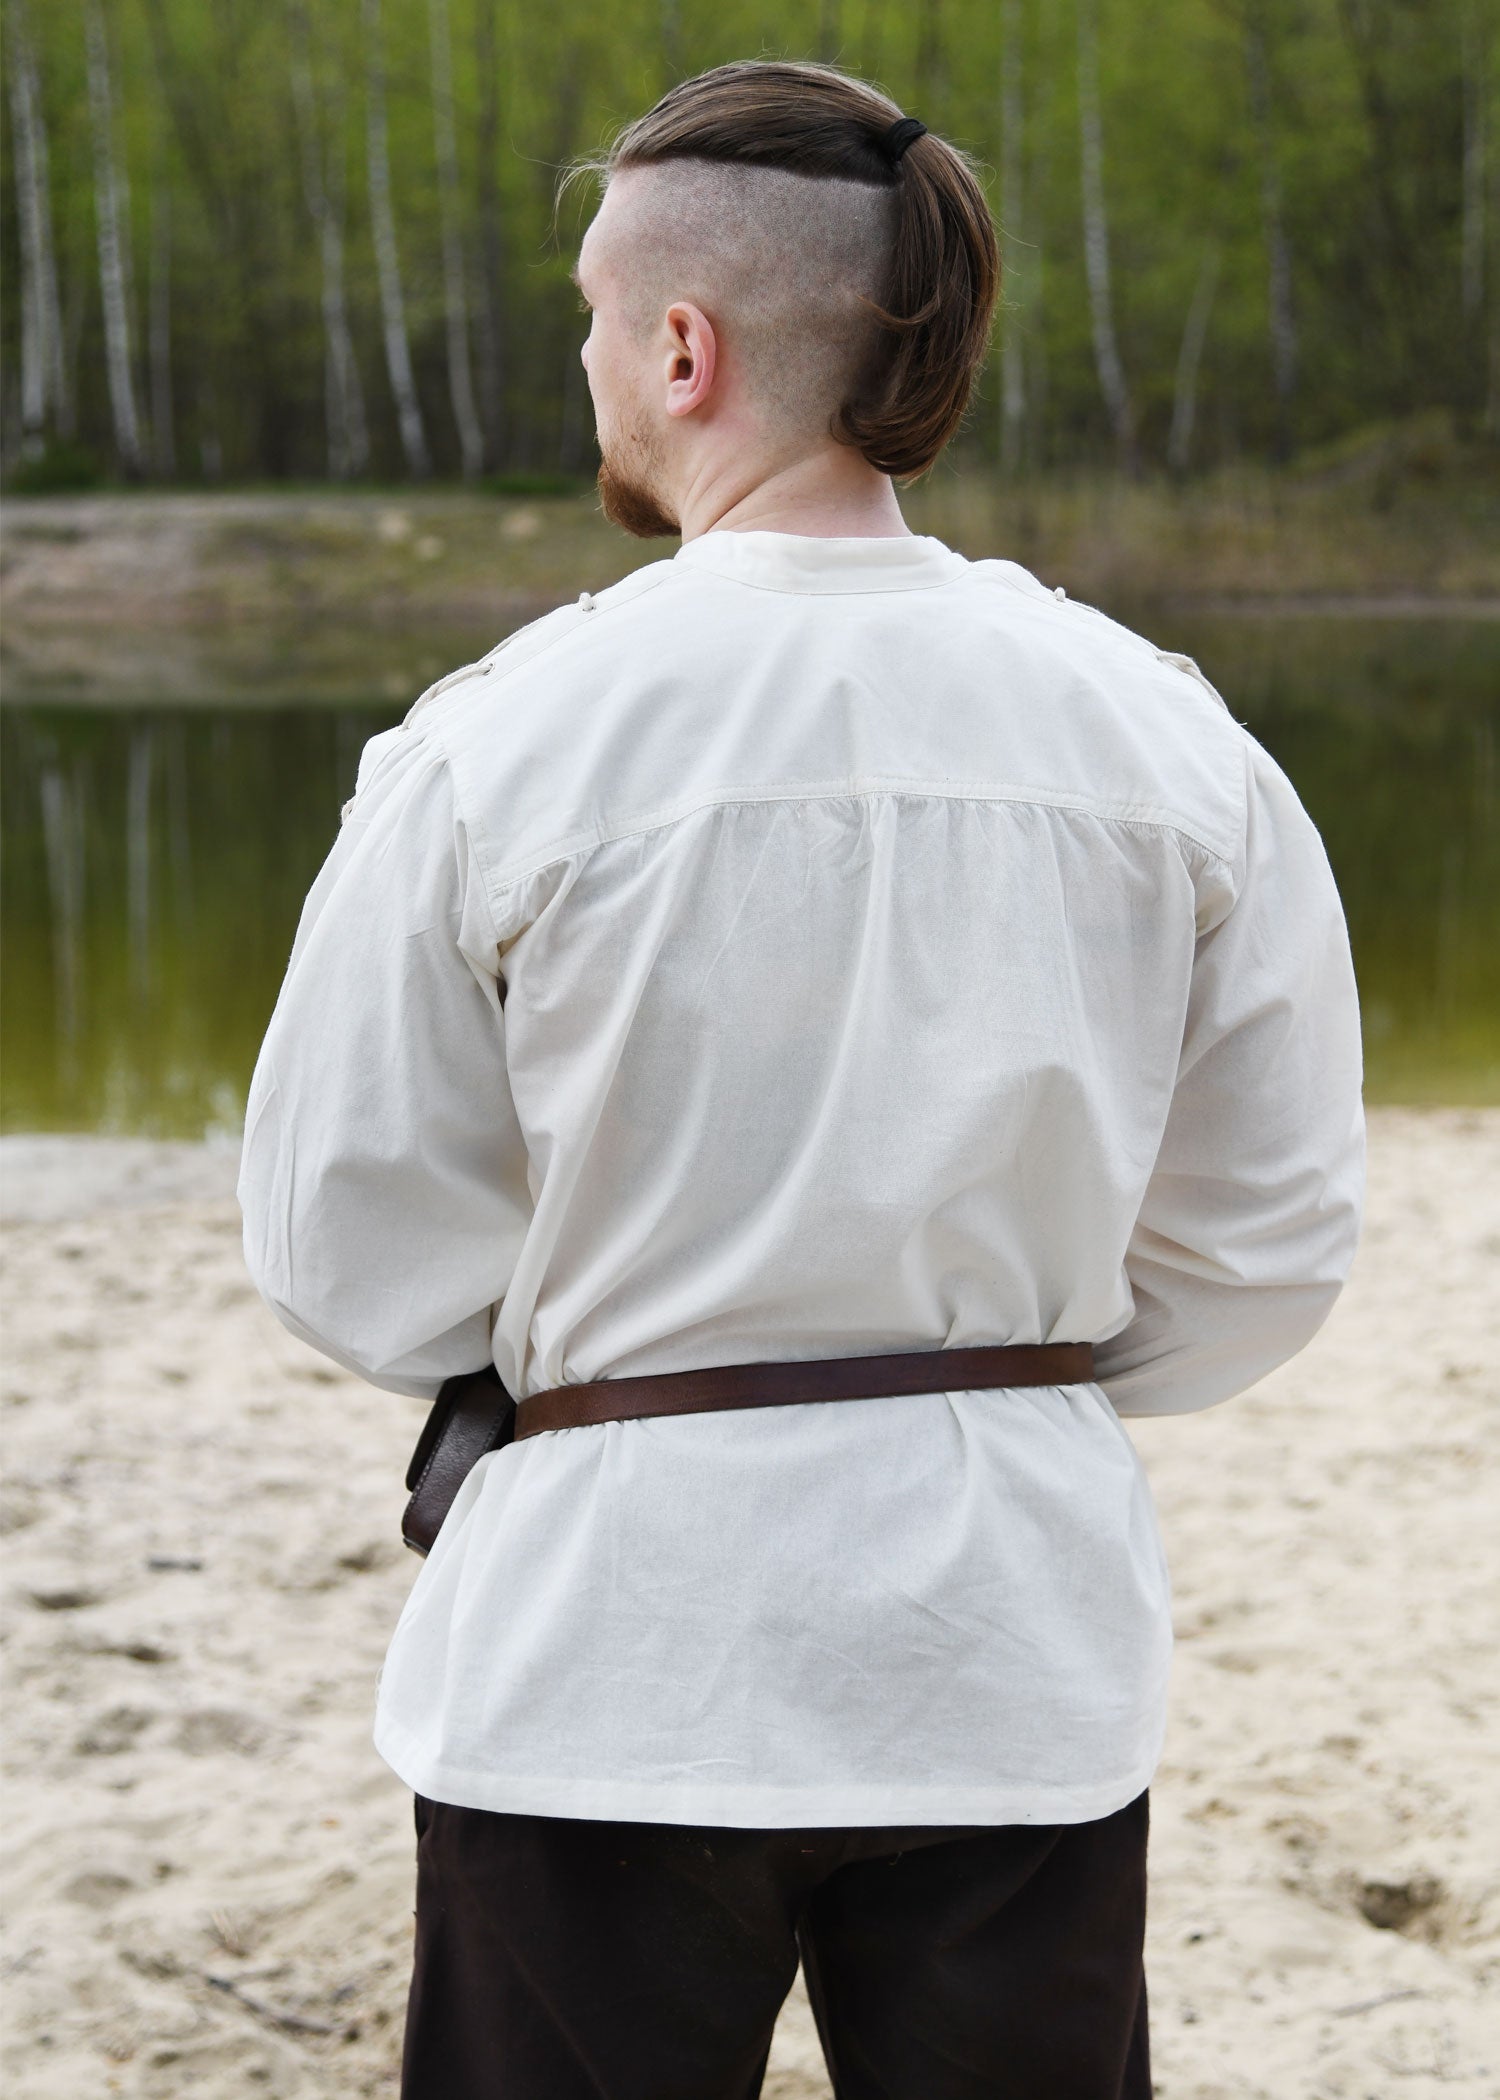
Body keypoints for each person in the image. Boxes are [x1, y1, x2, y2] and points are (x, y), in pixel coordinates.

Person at [237, 57, 1365, 2100]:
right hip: (1009, 1644)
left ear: (681, 346)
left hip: (603, 1650)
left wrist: (594, 1348)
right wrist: (982, 1385)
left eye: (594, 318)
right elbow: (1267, 1250)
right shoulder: (1171, 739)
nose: (588, 361)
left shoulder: (500, 744)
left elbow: (338, 1238)